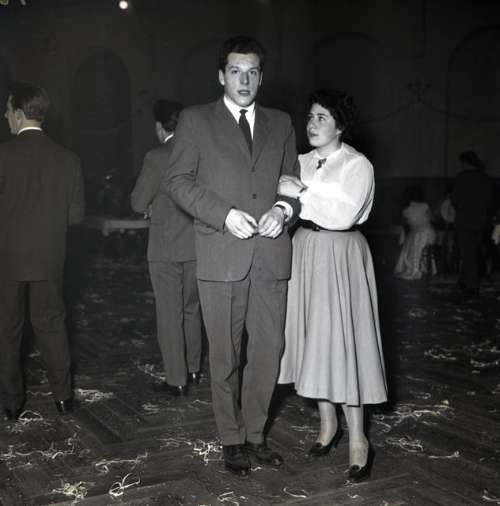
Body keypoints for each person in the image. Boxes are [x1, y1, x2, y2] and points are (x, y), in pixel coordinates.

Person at [163, 35, 300, 476]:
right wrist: (223, 215)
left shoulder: (281, 123)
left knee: (269, 351)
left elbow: (292, 183)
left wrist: (283, 211)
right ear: (221, 75)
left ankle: (256, 434)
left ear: (262, 77)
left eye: (253, 72)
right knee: (224, 356)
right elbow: (177, 181)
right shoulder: (195, 120)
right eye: (236, 71)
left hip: (271, 256)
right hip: (221, 255)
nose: (245, 80)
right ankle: (232, 438)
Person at [277, 89, 387, 482]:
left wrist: (300, 192)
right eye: (310, 116)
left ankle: (358, 439)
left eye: (322, 117)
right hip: (305, 250)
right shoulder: (301, 161)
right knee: (313, 339)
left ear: (340, 125)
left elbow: (342, 215)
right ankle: (328, 426)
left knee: (343, 343)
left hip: (340, 255)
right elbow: (288, 207)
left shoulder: (357, 165)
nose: (312, 124)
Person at [0, 81, 85, 420]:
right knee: (51, 325)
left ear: (19, 114)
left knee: (7, 327)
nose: (5, 116)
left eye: (7, 110)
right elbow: (76, 216)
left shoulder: (3, 155)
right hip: (50, 258)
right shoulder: (69, 159)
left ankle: (11, 402)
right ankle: (63, 397)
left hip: (7, 259)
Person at [131, 99, 202, 396]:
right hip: (197, 245)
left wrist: (152, 205)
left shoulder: (157, 156)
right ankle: (194, 368)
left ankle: (176, 379)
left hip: (165, 247)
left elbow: (137, 202)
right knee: (191, 308)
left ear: (160, 127)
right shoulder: (199, 153)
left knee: (169, 313)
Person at [451, 150, 495, 297]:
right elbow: (491, 202)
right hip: (481, 220)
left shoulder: (461, 177)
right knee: (473, 252)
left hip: (464, 220)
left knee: (467, 253)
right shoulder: (486, 178)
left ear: (465, 163)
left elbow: (455, 199)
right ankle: (464, 280)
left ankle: (472, 286)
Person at [394, 184, 437, 280]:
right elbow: (432, 218)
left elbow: (405, 223)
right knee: (413, 238)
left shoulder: (406, 209)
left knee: (410, 241)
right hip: (429, 233)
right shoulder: (425, 206)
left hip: (420, 234)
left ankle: (415, 268)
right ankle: (423, 268)